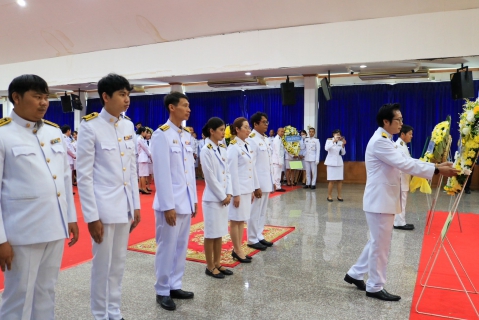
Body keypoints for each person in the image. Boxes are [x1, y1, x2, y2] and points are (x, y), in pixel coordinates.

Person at [344, 103, 459, 301]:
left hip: (382, 200)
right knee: (381, 245)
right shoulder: (380, 142)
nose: (401, 124)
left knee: (377, 241)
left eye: (401, 120)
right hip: (380, 201)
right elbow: (405, 164)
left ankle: (354, 274)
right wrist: (437, 169)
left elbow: (408, 160)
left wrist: (436, 165)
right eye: (398, 120)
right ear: (386, 121)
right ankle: (374, 286)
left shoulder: (386, 140)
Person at [0, 74, 79, 319]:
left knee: (46, 291)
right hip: (21, 232)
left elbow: (65, 177)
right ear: (16, 98)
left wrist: (70, 217)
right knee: (18, 296)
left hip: (54, 227)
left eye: (46, 97)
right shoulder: (3, 134)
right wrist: (1, 239)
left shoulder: (53, 132)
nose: (44, 102)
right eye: (37, 97)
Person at [77, 73, 141, 320]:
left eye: (128, 95)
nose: (127, 100)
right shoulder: (90, 126)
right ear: (105, 96)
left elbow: (132, 168)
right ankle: (100, 315)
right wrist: (92, 216)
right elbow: (84, 176)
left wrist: (135, 205)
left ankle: (114, 311)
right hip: (103, 209)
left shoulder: (127, 125)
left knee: (118, 264)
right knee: (102, 266)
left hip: (124, 207)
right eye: (122, 95)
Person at [151, 91, 197, 311]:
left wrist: (193, 200)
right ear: (172, 107)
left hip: (185, 201)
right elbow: (161, 173)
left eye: (189, 106)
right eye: (185, 105)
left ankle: (175, 284)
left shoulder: (186, 135)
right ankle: (162, 289)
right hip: (170, 204)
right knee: (167, 247)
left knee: (181, 246)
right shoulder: (161, 134)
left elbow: (188, 172)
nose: (188, 109)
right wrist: (168, 205)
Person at [200, 117, 233, 278]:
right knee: (210, 233)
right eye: (220, 129)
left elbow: (228, 173)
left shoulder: (222, 148)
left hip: (223, 198)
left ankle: (218, 263)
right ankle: (210, 265)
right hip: (213, 199)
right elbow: (210, 177)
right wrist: (222, 195)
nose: (223, 132)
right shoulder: (206, 149)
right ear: (211, 131)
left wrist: (229, 193)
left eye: (223, 129)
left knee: (219, 232)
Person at [228, 117, 258, 263]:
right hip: (238, 190)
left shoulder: (246, 145)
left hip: (246, 189)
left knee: (242, 220)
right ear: (237, 129)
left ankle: (238, 248)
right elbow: (232, 172)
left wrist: (252, 189)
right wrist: (235, 194)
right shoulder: (233, 147)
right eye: (245, 127)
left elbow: (249, 169)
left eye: (248, 127)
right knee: (235, 220)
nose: (248, 130)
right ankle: (237, 249)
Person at [246, 112, 274, 251]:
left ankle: (259, 235)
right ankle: (251, 238)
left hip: (266, 181)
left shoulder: (265, 139)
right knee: (255, 211)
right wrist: (255, 186)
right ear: (256, 124)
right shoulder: (252, 139)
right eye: (264, 122)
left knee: (262, 211)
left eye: (267, 122)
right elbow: (251, 165)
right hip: (258, 183)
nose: (266, 124)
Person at [393, 125, 415, 230]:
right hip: (401, 178)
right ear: (403, 134)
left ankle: (400, 221)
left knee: (402, 200)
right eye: (410, 134)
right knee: (401, 200)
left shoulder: (403, 145)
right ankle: (399, 223)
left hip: (404, 177)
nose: (412, 136)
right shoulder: (398, 145)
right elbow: (404, 163)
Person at [325, 129, 347, 201]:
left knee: (340, 181)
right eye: (336, 134)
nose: (338, 135)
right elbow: (326, 148)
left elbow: (343, 153)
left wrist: (343, 146)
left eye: (339, 134)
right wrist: (333, 141)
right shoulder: (329, 140)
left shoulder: (340, 142)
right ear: (333, 134)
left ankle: (339, 195)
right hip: (331, 163)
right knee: (331, 181)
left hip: (339, 163)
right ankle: (329, 195)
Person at [61, 124, 77, 191]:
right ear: (68, 131)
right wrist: (74, 155)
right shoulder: (64, 138)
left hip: (70, 158)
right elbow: (67, 148)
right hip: (69, 158)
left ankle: (70, 188)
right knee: (69, 173)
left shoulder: (67, 138)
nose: (70, 132)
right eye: (70, 130)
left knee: (72, 173)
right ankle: (68, 189)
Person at [137, 126, 152, 194]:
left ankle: (141, 187)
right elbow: (145, 148)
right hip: (143, 158)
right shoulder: (140, 139)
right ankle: (143, 188)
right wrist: (150, 155)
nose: (146, 134)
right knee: (143, 174)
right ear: (142, 132)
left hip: (143, 158)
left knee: (142, 174)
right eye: (145, 132)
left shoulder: (141, 139)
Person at [272, 127, 286, 192]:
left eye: (283, 132)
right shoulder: (277, 139)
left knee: (278, 174)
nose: (282, 133)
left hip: (279, 160)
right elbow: (277, 151)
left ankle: (278, 186)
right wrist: (280, 161)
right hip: (277, 160)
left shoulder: (280, 139)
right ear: (278, 132)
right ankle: (277, 187)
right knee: (276, 175)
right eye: (281, 131)